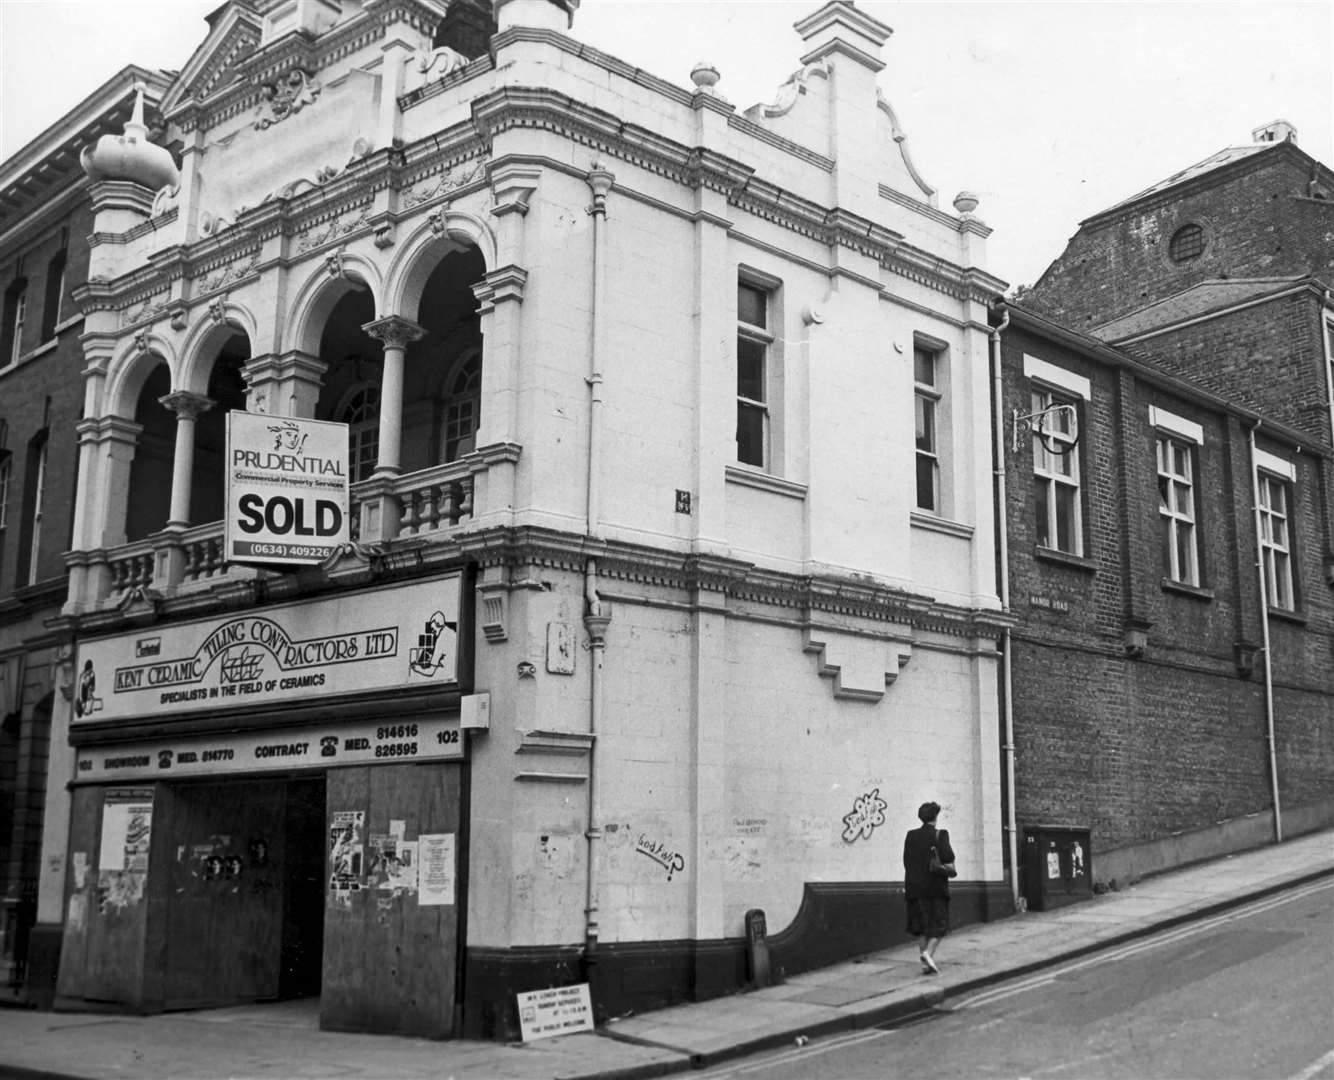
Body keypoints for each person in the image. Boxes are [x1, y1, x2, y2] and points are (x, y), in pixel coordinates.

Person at [903, 800, 955, 974]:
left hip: (914, 888)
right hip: (935, 889)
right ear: (936, 817)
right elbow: (950, 865)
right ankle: (928, 953)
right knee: (940, 925)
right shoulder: (941, 835)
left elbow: (907, 863)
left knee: (921, 927)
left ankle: (926, 965)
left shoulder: (910, 836)